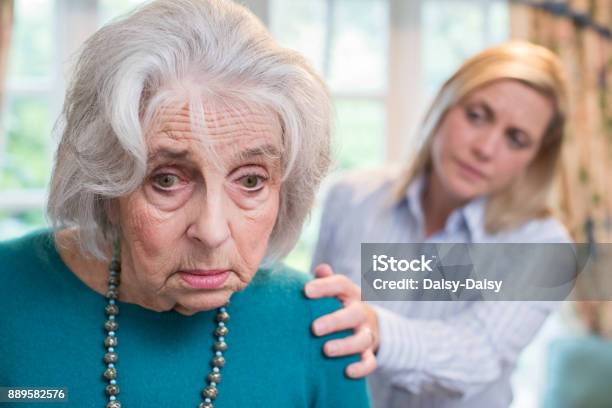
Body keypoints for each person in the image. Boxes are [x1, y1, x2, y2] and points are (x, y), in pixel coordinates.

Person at [0, 1, 371, 407]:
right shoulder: (10, 288)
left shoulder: (324, 328)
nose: (212, 232)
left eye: (250, 180)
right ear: (104, 187)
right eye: (166, 180)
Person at [306, 41, 572, 407]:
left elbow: (477, 353)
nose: (486, 148)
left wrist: (374, 326)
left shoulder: (546, 247)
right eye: (477, 115)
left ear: (533, 160)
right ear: (445, 104)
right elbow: (316, 331)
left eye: (516, 139)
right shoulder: (351, 197)